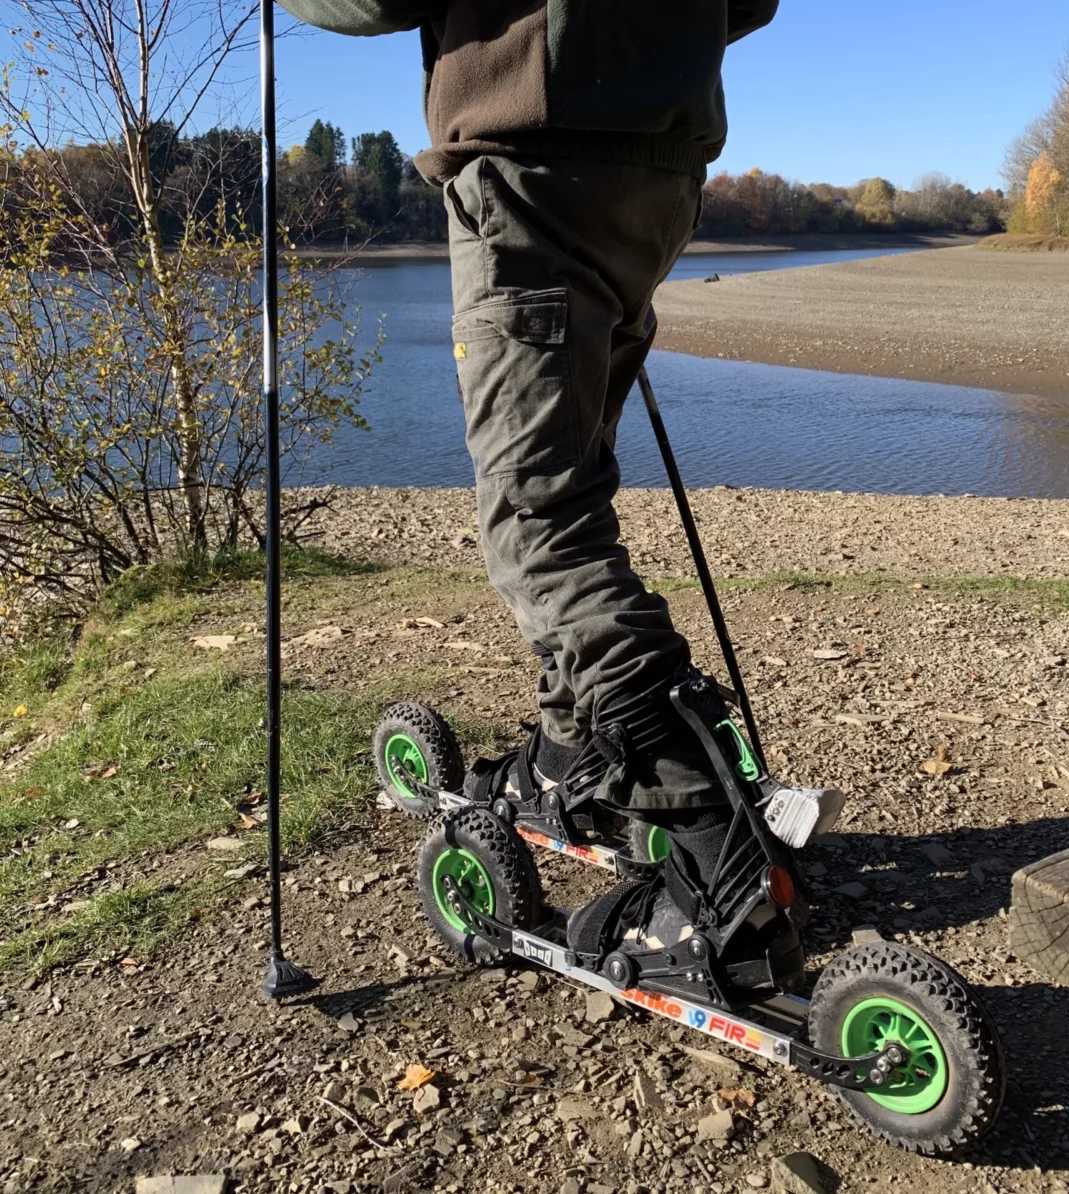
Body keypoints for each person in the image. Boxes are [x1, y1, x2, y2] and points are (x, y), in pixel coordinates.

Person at [279, 0, 783, 969]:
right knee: (573, 481)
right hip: (659, 173)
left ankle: (718, 854)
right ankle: (573, 747)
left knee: (537, 524)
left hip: (531, 161)